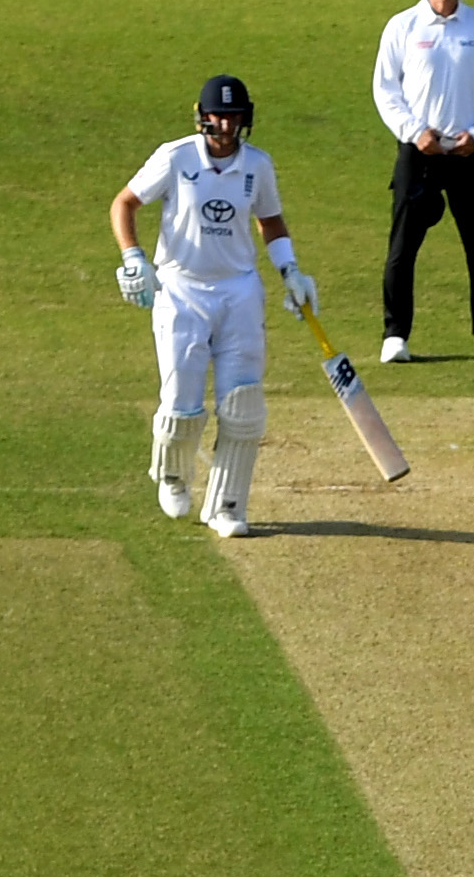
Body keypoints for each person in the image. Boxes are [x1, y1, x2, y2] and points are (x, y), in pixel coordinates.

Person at [110, 74, 318, 539]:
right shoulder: (175, 156)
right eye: (219, 116)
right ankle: (173, 474)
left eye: (234, 116)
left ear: (246, 118)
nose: (226, 125)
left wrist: (291, 273)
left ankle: (227, 506)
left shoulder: (257, 166)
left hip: (239, 291)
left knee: (242, 403)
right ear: (203, 115)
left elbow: (271, 220)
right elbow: (124, 204)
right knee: (182, 399)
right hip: (180, 290)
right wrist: (133, 258)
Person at [372, 0, 474, 367]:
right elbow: (385, 90)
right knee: (402, 247)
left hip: (471, 152)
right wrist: (415, 132)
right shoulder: (403, 27)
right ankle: (395, 334)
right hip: (421, 151)